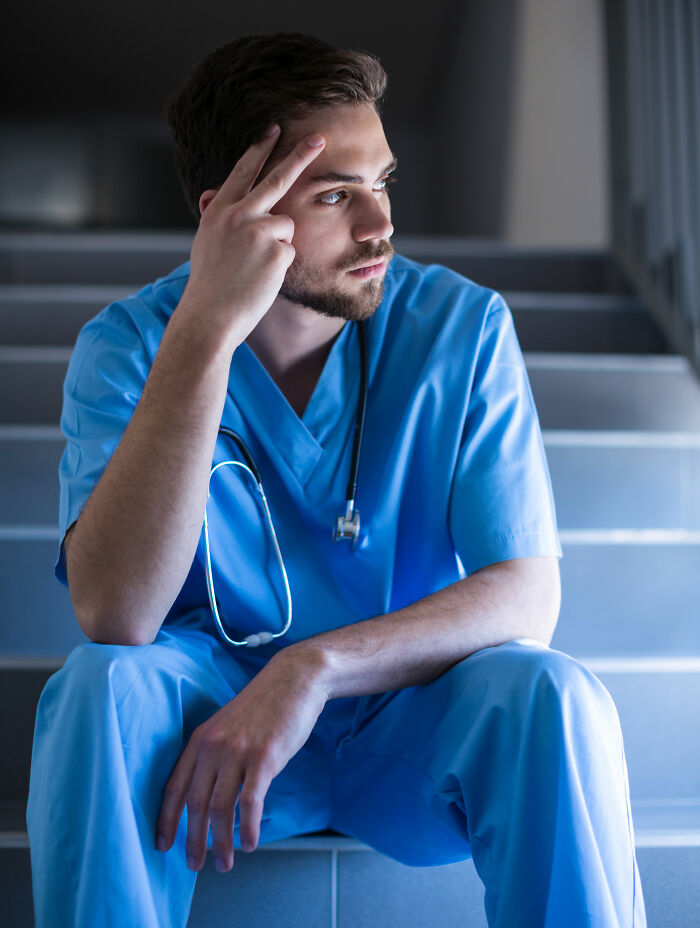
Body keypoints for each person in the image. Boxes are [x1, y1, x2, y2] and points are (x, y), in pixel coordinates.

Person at [27, 32, 646, 928]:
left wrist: (312, 668)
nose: (378, 225)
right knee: (96, 689)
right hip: (210, 738)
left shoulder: (459, 327)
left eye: (382, 182)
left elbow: (526, 595)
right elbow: (115, 616)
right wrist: (204, 334)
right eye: (333, 194)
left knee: (555, 693)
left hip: (410, 722)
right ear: (231, 214)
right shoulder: (129, 348)